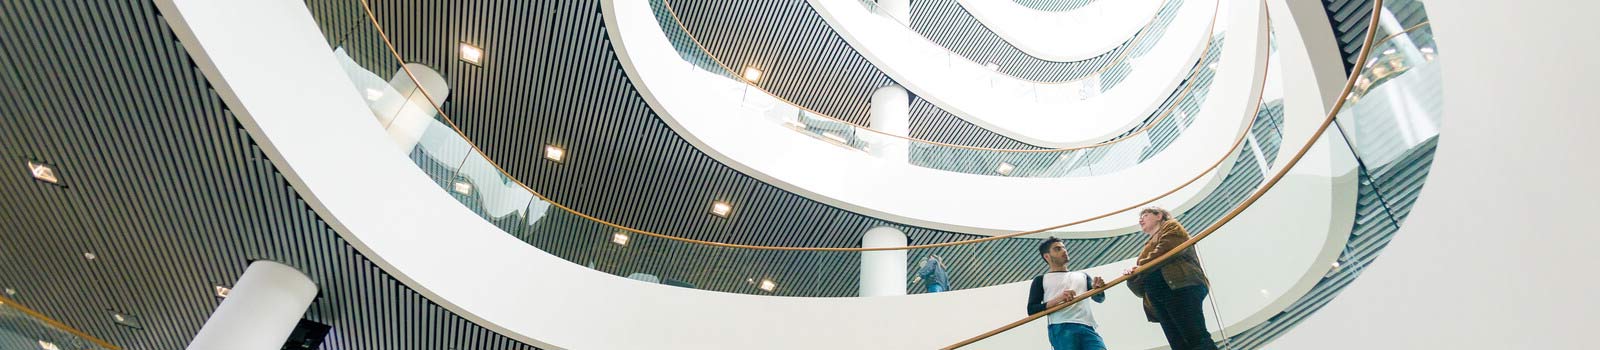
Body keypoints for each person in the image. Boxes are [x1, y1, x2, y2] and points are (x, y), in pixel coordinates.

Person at [1125, 207, 1217, 350]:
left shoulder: (1172, 227)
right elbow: (1139, 283)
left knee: (1195, 336)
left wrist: (1138, 269)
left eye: (1145, 215)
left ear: (1159, 216)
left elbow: (1166, 250)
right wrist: (1132, 275)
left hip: (1179, 287)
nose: (1140, 219)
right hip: (1158, 296)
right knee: (1178, 343)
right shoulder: (1146, 247)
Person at [1026, 237, 1109, 350]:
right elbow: (1031, 310)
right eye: (1057, 249)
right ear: (1047, 256)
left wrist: (1099, 289)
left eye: (1064, 247)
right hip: (1061, 327)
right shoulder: (1041, 280)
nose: (1064, 251)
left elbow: (1099, 299)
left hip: (1087, 326)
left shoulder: (1083, 276)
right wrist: (1058, 299)